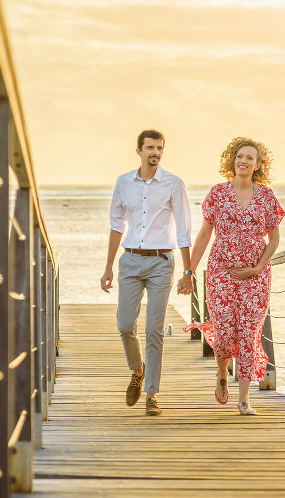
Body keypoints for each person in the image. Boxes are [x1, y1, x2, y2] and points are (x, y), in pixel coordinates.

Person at [179, 136, 284, 415]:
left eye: (250, 158)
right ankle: (222, 372)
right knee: (225, 334)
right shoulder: (218, 194)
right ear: (232, 161)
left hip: (256, 276)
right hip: (220, 273)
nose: (243, 161)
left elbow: (274, 240)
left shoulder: (267, 197)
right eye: (239, 156)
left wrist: (257, 267)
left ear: (258, 164)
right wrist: (188, 271)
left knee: (249, 334)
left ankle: (245, 399)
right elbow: (203, 235)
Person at [101, 129, 193, 416]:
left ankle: (152, 394)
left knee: (154, 329)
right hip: (129, 262)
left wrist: (188, 272)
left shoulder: (173, 183)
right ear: (138, 150)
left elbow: (183, 229)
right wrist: (107, 268)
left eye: (160, 148)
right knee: (125, 325)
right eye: (150, 147)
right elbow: (117, 224)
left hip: (160, 263)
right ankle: (137, 370)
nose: (155, 152)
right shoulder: (124, 182)